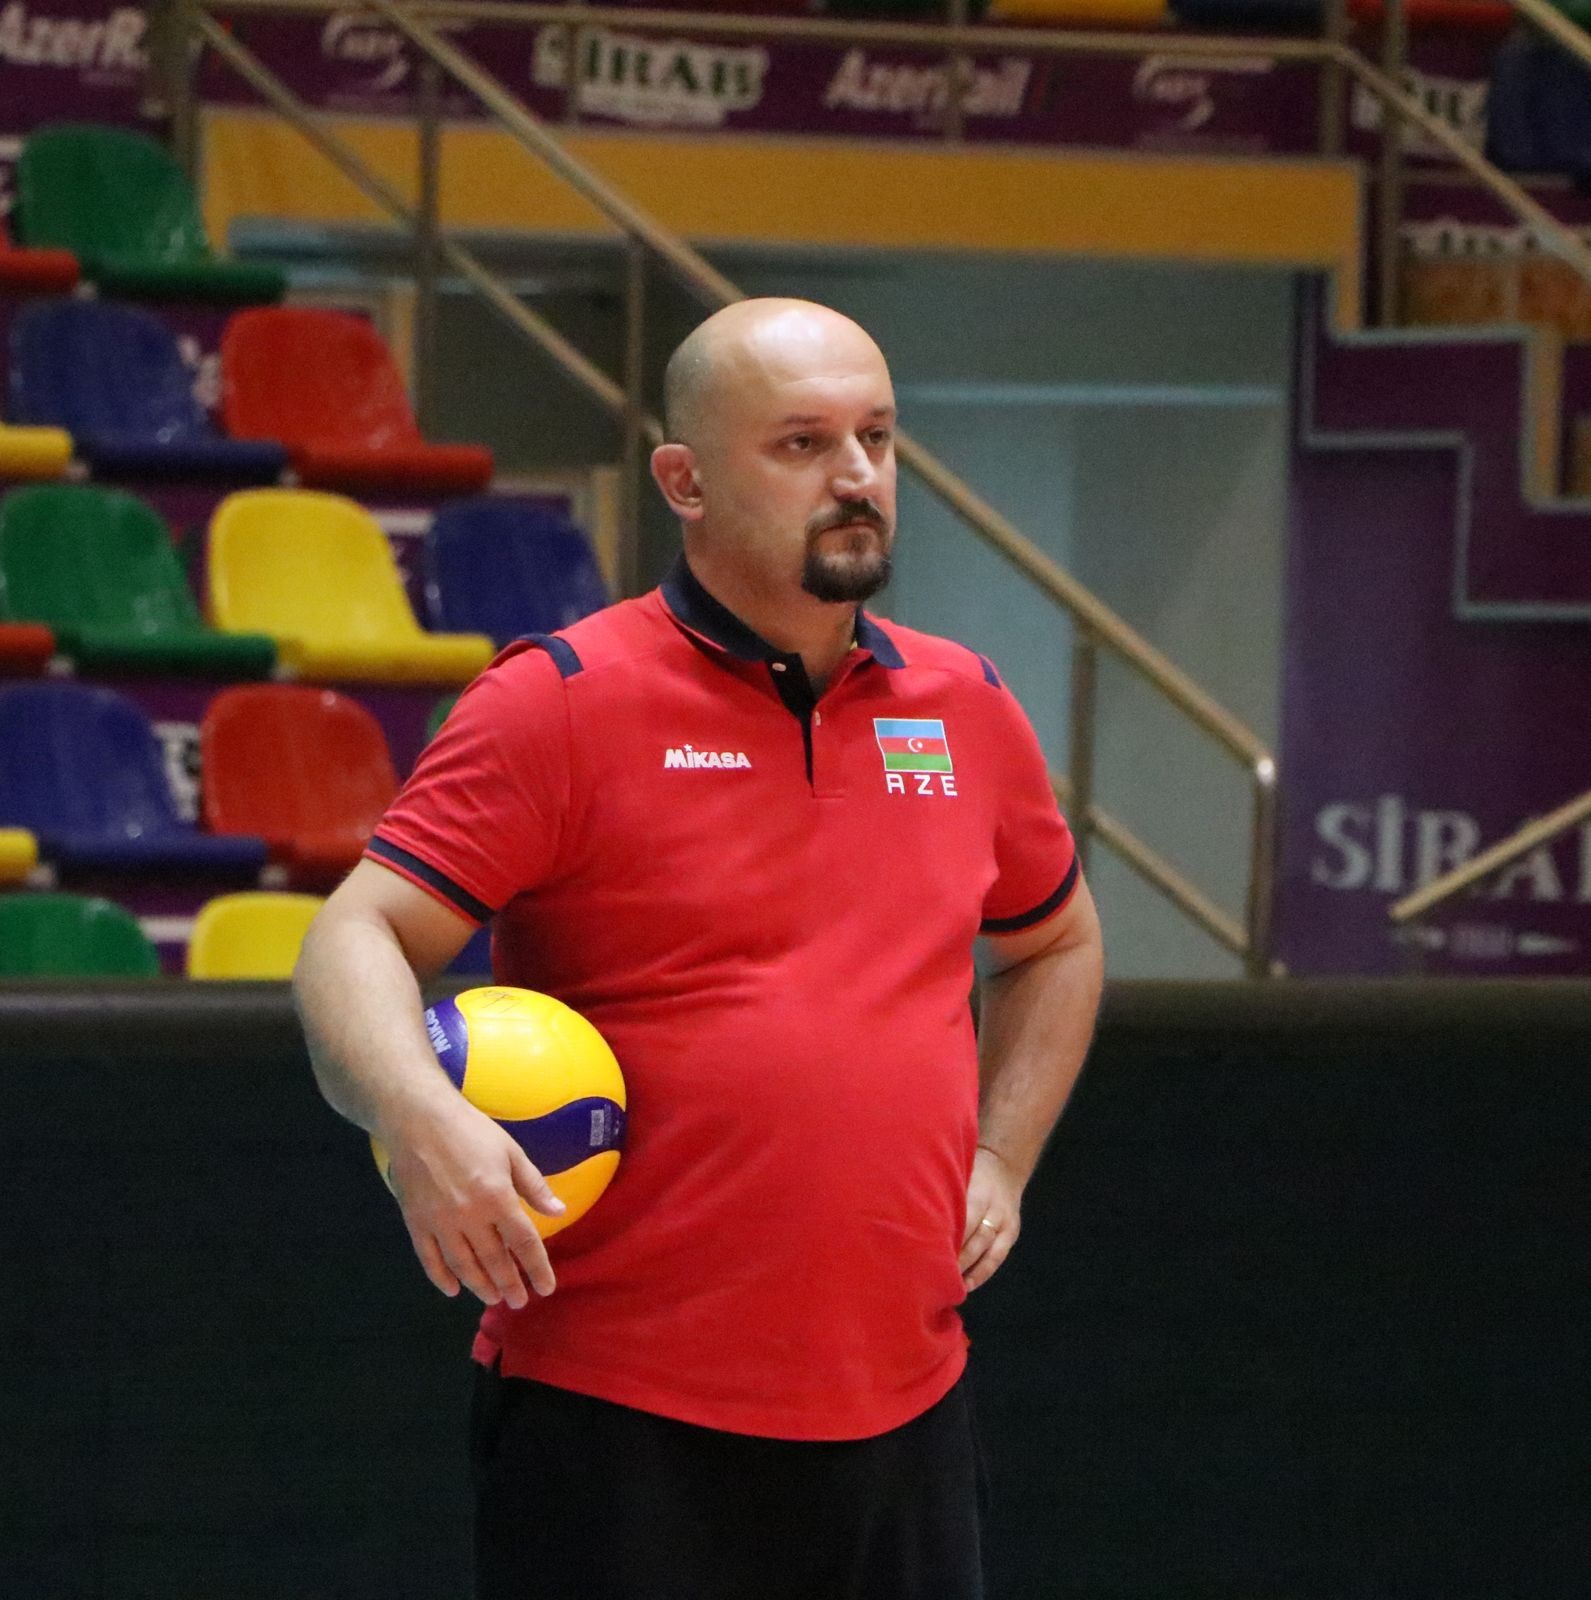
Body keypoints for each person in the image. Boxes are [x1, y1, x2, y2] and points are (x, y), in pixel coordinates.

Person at [293, 297, 1104, 1600]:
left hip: (908, 1409)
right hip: (624, 1417)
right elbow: (357, 934)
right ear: (684, 480)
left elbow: (1055, 944)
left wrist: (1002, 1157)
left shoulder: (965, 704)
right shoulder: (561, 701)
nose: (856, 476)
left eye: (877, 437)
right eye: (802, 443)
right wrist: (416, 1113)